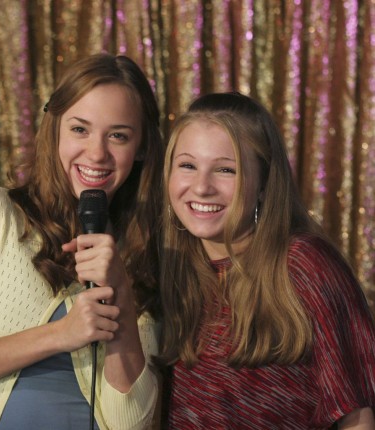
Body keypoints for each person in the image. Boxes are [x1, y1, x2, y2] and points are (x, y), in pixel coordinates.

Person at [0, 53, 165, 430]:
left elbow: (131, 423)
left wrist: (122, 297)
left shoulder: (146, 254)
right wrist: (60, 334)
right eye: (80, 129)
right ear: (56, 129)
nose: (97, 153)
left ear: (141, 146)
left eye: (118, 136)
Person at [159, 92, 375, 428]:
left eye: (226, 170)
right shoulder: (169, 267)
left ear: (263, 183)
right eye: (187, 165)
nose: (201, 187)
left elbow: (357, 416)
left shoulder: (303, 264)